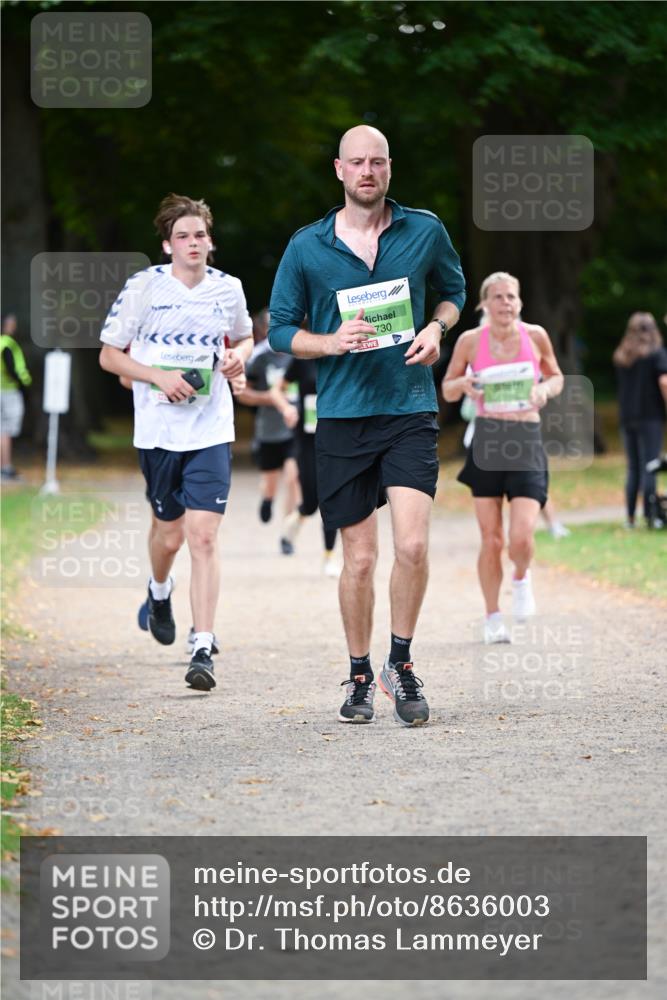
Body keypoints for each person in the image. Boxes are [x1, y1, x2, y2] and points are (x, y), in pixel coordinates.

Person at [268, 124, 465, 726]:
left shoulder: (425, 229)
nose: (367, 171)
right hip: (344, 418)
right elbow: (279, 329)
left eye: (377, 161)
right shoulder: (307, 246)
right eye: (356, 162)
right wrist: (328, 342)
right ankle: (358, 672)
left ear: (388, 168)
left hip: (409, 407)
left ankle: (399, 664)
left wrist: (436, 329)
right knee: (358, 559)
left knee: (411, 543)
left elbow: (453, 293)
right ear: (339, 170)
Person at [99, 193, 253, 691]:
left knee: (202, 536)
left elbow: (244, 339)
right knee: (168, 536)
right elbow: (109, 357)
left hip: (211, 428)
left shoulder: (229, 289)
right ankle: (159, 589)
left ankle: (203, 643)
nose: (193, 243)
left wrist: (236, 360)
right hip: (159, 431)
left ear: (211, 241)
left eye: (200, 235)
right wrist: (157, 377)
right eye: (183, 236)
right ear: (167, 244)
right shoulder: (143, 288)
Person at [442, 271, 563, 644]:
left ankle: (522, 577)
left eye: (511, 296)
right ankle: (493, 614)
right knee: (491, 538)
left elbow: (556, 376)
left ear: (520, 302)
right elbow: (447, 389)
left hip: (525, 437)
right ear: (484, 304)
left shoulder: (536, 336)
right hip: (488, 439)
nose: (505, 303)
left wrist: (544, 390)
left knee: (521, 536)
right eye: (497, 297)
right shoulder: (469, 340)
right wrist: (462, 384)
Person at [235, 308, 301, 553]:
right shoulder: (259, 358)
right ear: (263, 331)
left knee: (294, 477)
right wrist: (270, 398)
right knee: (270, 481)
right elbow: (242, 394)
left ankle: (287, 534)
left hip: (295, 427)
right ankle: (267, 498)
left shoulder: (301, 353)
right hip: (269, 429)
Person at [269, 352, 341, 576]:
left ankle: (329, 557)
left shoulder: (346, 354)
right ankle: (295, 521)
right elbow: (276, 390)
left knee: (331, 499)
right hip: (307, 439)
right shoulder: (303, 357)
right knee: (310, 502)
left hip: (338, 437)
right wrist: (286, 408)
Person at [613, 312, 667, 528]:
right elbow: (664, 382)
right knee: (650, 466)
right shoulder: (657, 355)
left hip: (627, 417)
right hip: (650, 416)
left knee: (633, 468)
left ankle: (630, 517)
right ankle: (650, 516)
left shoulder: (623, 356)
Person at [1, 314, 32, 481]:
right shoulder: (7, 344)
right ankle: (5, 467)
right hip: (8, 391)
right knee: (5, 430)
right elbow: (12, 369)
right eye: (11, 323)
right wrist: (23, 384)